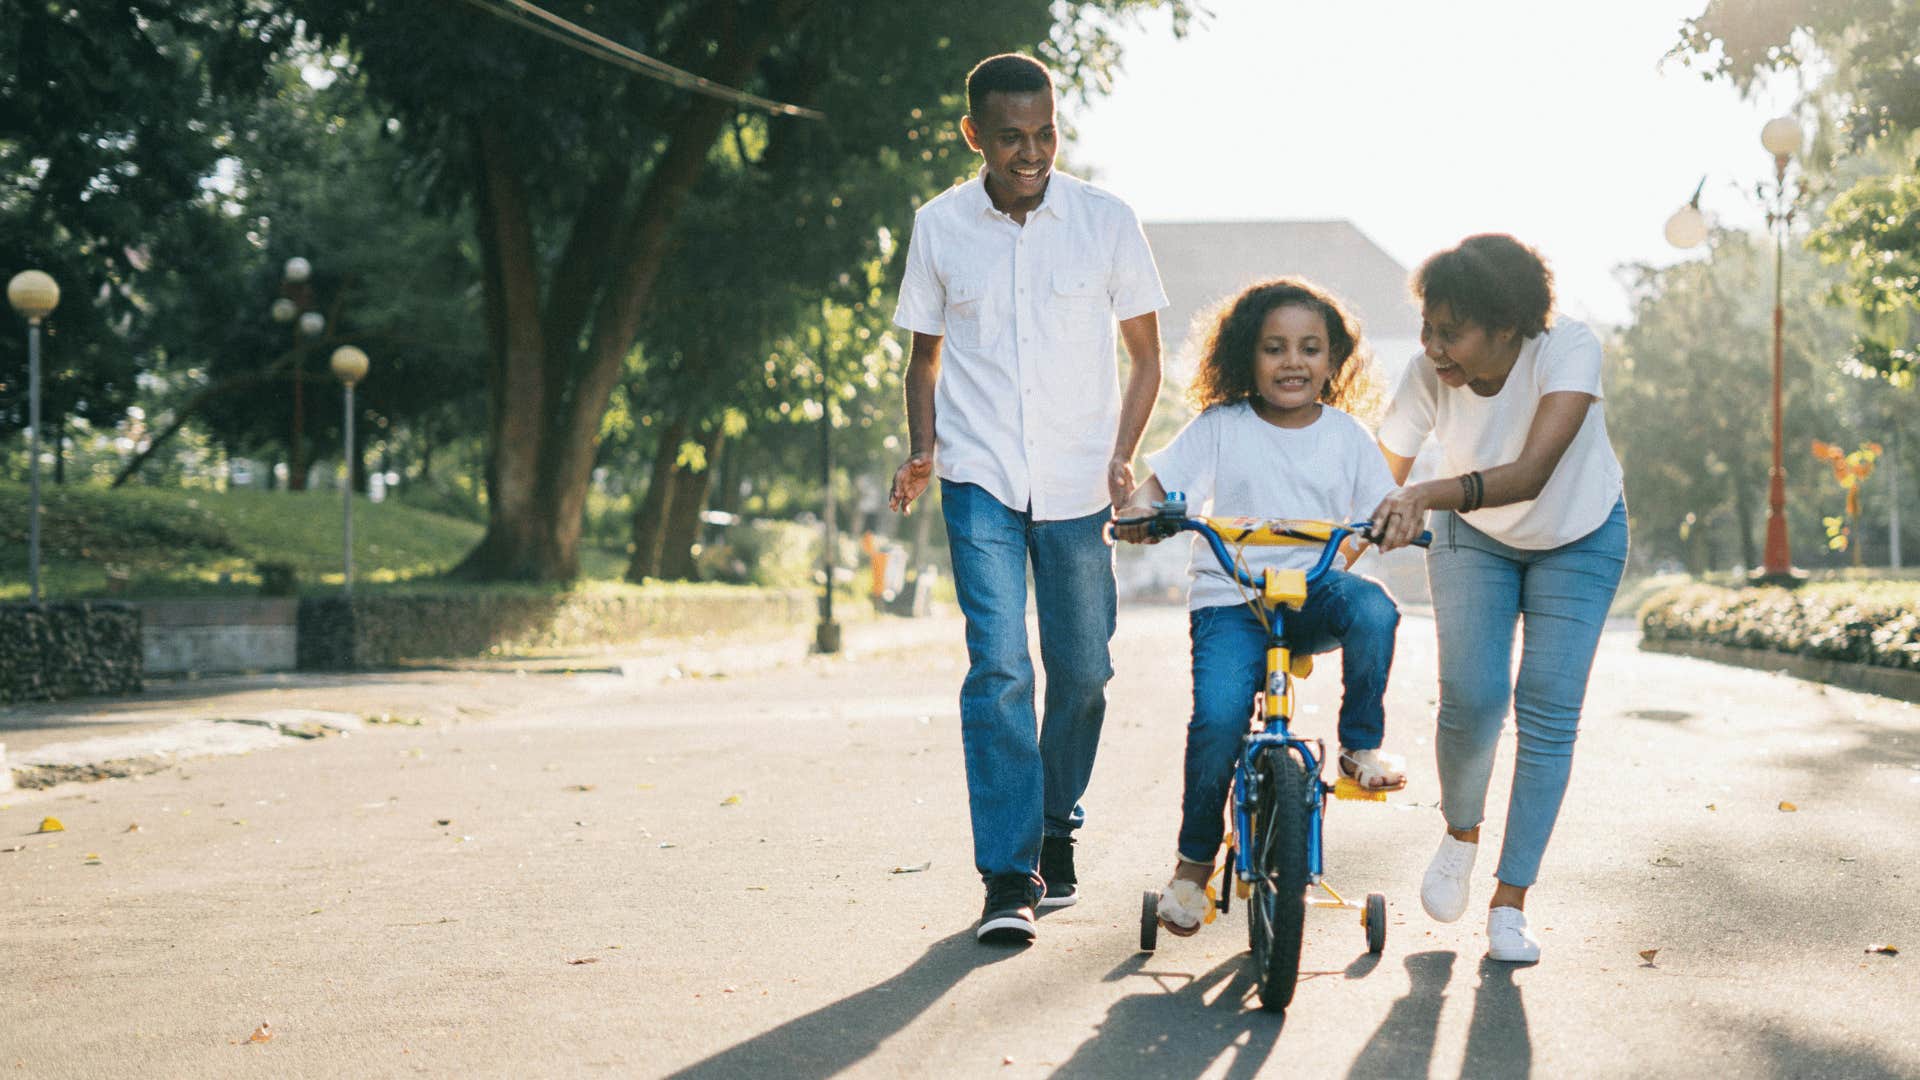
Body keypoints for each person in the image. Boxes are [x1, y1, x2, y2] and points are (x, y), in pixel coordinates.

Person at [887, 53, 1168, 944]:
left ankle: (1056, 825)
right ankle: (1009, 875)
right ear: (975, 135)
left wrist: (1124, 455)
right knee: (1001, 667)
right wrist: (924, 450)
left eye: (1045, 133)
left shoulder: (1106, 221)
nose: (1032, 152)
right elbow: (923, 358)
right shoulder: (939, 226)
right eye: (1011, 137)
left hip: (1081, 481)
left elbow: (1147, 356)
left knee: (1084, 672)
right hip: (979, 479)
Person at [1114, 278, 1404, 935]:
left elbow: (1384, 506)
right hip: (1231, 598)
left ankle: (1360, 746)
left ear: (1334, 363)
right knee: (1218, 719)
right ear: (1247, 356)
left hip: (1312, 592)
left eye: (1310, 348)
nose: (1293, 361)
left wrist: (1396, 522)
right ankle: (1192, 867)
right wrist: (1139, 513)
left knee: (1376, 610)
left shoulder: (1349, 437)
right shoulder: (1221, 427)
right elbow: (1157, 490)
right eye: (1274, 348)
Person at [1369, 234, 1628, 964]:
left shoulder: (1567, 350)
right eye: (1427, 326)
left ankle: (1511, 902)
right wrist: (1334, 550)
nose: (1432, 347)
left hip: (1579, 533)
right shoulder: (1427, 375)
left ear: (1508, 327)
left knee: (1548, 706)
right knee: (1474, 698)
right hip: (1474, 538)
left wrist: (1423, 493)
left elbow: (1533, 472)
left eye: (1450, 331)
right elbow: (1375, 479)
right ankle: (1460, 833)